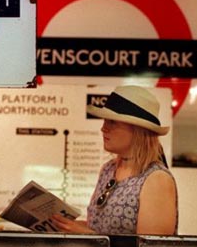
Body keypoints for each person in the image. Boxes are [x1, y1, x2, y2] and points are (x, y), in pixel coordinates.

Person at [52, 85, 178, 235]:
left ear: (137, 129)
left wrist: (88, 236)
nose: (103, 128)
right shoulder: (108, 169)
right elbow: (104, 229)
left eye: (112, 122)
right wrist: (67, 225)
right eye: (105, 121)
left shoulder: (157, 179)